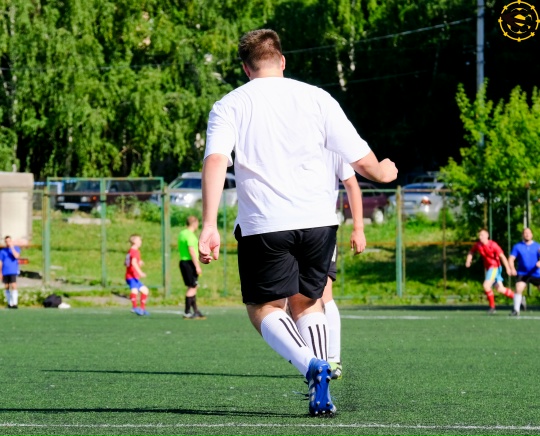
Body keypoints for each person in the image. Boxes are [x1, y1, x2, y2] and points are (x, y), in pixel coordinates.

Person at [198, 29, 397, 417]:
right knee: (309, 303)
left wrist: (209, 223)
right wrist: (384, 172)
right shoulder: (317, 98)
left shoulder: (230, 104)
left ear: (245, 68)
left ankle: (311, 365)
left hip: (265, 223)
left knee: (264, 307)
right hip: (319, 222)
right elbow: (362, 161)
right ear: (282, 61)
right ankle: (322, 380)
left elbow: (216, 160)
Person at [323, 156, 366, 381]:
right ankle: (312, 357)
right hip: (288, 229)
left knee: (323, 295)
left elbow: (352, 183)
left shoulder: (332, 144)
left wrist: (358, 228)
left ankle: (333, 359)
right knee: (293, 300)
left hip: (320, 231)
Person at [465, 229, 515, 314]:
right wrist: (468, 260)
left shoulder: (493, 245)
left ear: (487, 236)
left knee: (486, 285)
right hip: (490, 269)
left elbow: (502, 256)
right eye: (479, 235)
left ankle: (492, 307)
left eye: (482, 235)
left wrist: (508, 268)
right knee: (500, 289)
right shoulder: (478, 245)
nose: (480, 237)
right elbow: (471, 252)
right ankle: (518, 298)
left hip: (495, 268)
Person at [178, 216, 205, 319]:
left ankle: (195, 310)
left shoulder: (182, 233)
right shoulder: (189, 234)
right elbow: (191, 250)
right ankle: (187, 312)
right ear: (194, 223)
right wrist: (197, 266)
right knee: (192, 287)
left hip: (184, 262)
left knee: (193, 286)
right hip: (189, 263)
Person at [508, 227, 540, 316]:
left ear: (532, 235)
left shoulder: (537, 246)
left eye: (529, 233)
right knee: (518, 288)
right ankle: (516, 310)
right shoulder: (517, 246)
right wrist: (512, 268)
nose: (527, 234)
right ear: (522, 235)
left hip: (536, 273)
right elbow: (511, 259)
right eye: (525, 233)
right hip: (523, 273)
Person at [125, 234, 150, 316]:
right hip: (131, 276)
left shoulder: (130, 251)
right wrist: (140, 272)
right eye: (139, 240)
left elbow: (126, 263)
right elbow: (133, 263)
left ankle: (142, 309)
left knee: (145, 290)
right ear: (134, 241)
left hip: (131, 276)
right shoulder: (135, 251)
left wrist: (139, 261)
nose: (141, 242)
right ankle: (134, 307)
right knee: (134, 290)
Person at [0, 236, 21, 309]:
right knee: (6, 286)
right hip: (5, 271)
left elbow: (16, 256)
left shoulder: (16, 248)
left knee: (14, 285)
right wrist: (0, 272)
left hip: (12, 270)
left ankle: (15, 303)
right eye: (6, 241)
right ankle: (9, 303)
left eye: (9, 241)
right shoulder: (2, 251)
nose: (8, 243)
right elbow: (1, 262)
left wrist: (12, 247)